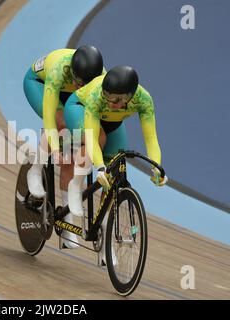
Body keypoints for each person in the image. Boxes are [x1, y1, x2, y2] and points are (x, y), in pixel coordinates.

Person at [64, 65, 168, 263]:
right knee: (97, 142)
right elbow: (93, 138)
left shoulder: (144, 100)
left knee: (114, 172)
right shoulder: (97, 96)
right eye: (107, 96)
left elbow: (151, 138)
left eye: (116, 99)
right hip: (79, 107)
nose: (110, 101)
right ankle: (75, 185)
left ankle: (105, 245)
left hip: (113, 122)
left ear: (129, 97)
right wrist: (99, 167)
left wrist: (156, 167)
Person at [23, 45, 105, 249]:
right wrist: (56, 148)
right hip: (39, 84)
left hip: (71, 96)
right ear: (73, 74)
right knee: (61, 122)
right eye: (80, 82)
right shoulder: (58, 70)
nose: (82, 86)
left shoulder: (100, 78)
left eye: (87, 84)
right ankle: (34, 170)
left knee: (74, 150)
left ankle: (67, 223)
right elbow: (50, 119)